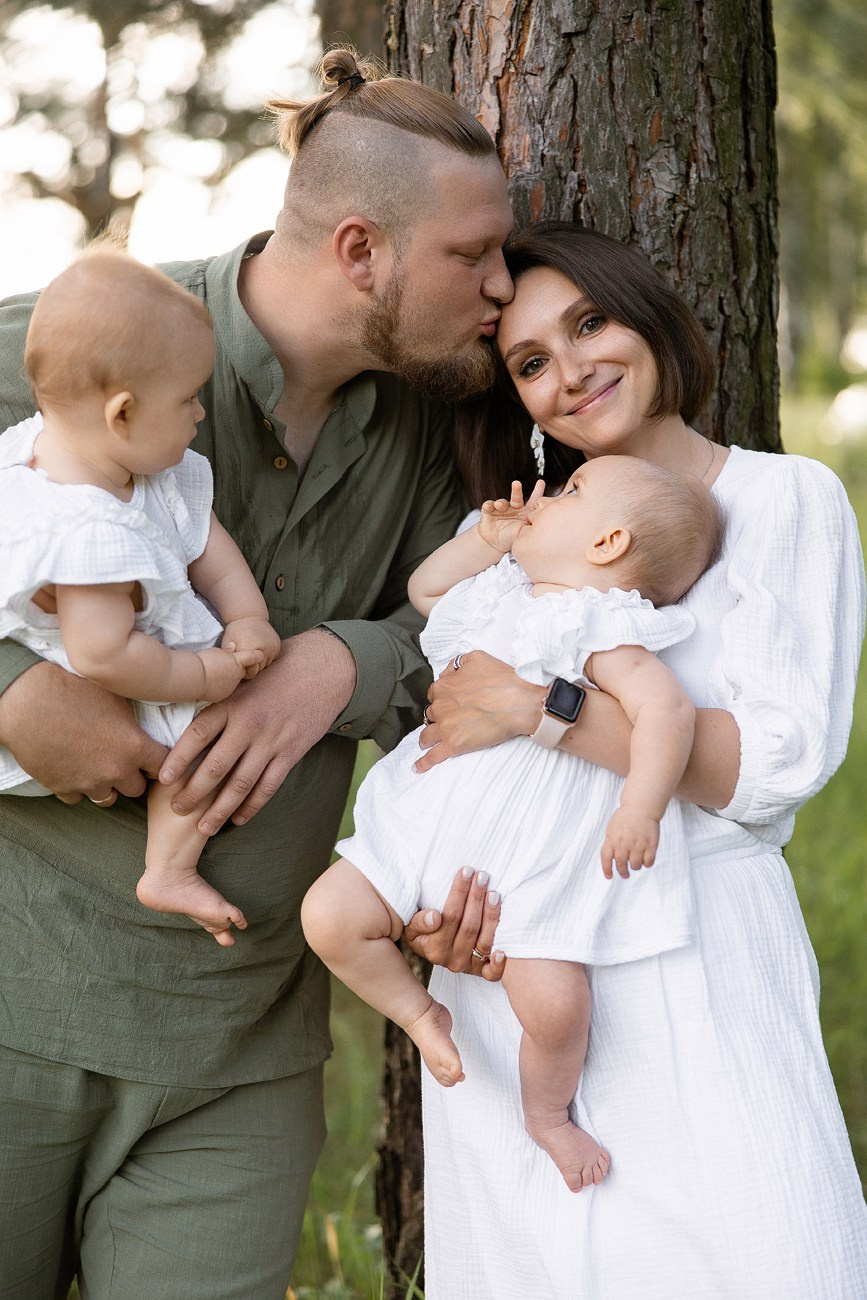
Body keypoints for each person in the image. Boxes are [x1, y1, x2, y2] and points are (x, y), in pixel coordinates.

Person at [0, 49, 512, 1298]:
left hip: (241, 1057)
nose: (503, 287)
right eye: (474, 256)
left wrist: (341, 660)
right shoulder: (75, 339)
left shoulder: (434, 427)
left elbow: (488, 635)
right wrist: (10, 688)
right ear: (360, 251)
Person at [414, 223, 867, 1299]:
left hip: (699, 940)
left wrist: (538, 707)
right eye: (531, 361)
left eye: (589, 323)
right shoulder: (522, 540)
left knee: (768, 1253)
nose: (571, 371)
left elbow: (770, 762)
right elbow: (448, 743)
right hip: (516, 954)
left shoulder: (787, 500)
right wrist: (423, 896)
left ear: (649, 315)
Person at [303, 455, 723, 1193]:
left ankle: (548, 1116)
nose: (545, 498)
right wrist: (486, 540)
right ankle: (420, 1015)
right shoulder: (496, 591)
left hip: (531, 864)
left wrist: (641, 805)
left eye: (570, 493)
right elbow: (425, 590)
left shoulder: (594, 622)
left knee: (557, 1011)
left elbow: (666, 710)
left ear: (607, 545)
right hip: (426, 826)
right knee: (328, 917)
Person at [0, 248, 282, 944]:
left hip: (120, 654)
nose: (200, 414)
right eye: (188, 399)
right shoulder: (85, 530)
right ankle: (169, 868)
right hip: (100, 678)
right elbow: (103, 653)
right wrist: (203, 674)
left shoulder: (133, 465)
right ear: (122, 413)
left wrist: (247, 616)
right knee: (203, 736)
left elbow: (206, 546)